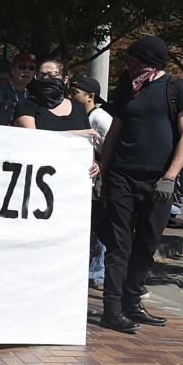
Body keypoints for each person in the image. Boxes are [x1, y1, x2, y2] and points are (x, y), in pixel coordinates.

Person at [96, 35, 183, 334]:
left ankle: (132, 301)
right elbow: (115, 131)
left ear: (149, 61)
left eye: (134, 59)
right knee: (119, 244)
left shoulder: (179, 88)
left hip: (158, 180)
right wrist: (104, 169)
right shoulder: (129, 87)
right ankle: (111, 309)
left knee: (147, 243)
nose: (129, 65)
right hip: (122, 176)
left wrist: (170, 177)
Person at [69, 75, 114, 290]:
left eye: (74, 92)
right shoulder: (78, 115)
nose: (70, 95)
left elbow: (114, 147)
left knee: (98, 226)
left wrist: (102, 166)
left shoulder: (100, 118)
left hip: (100, 187)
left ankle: (99, 272)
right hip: (88, 185)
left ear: (90, 97)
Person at [0, 53, 36, 124]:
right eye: (22, 67)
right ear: (12, 70)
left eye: (31, 68)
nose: (27, 71)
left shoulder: (29, 97)